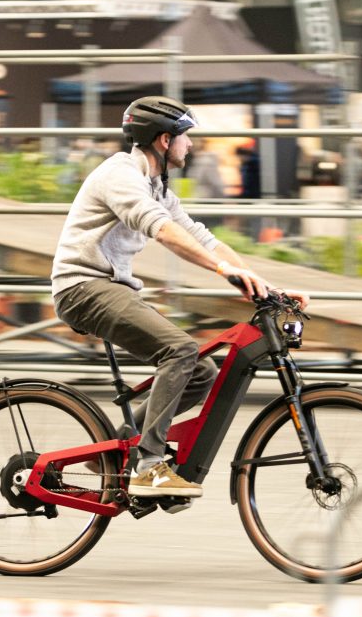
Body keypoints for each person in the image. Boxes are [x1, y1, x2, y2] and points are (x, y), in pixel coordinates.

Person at [51, 95, 308, 500]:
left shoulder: (158, 187)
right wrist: (222, 271)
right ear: (164, 140)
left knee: (200, 371)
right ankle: (149, 466)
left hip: (112, 288)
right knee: (180, 350)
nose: (192, 145)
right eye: (187, 137)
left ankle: (118, 451)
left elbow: (200, 237)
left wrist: (263, 285)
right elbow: (162, 231)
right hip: (82, 287)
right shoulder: (121, 175)